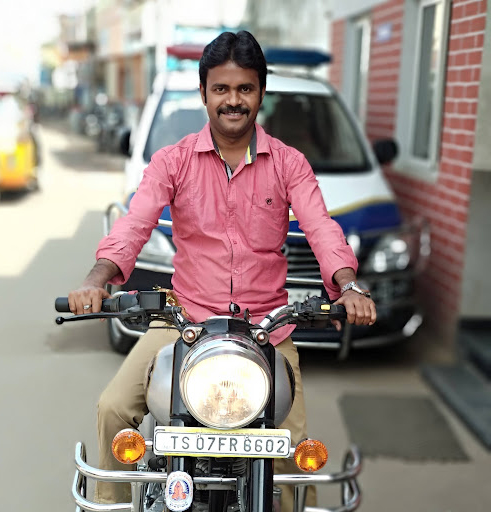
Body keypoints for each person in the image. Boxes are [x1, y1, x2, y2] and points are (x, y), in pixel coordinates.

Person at [68, 30, 376, 511]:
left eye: (245, 88)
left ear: (261, 93)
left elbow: (321, 229)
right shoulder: (171, 162)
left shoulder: (290, 164)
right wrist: (96, 280)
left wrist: (348, 285)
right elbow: (134, 224)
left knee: (295, 458)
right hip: (183, 323)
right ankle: (112, 505)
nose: (233, 100)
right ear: (204, 92)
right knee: (112, 409)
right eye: (221, 89)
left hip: (266, 331)